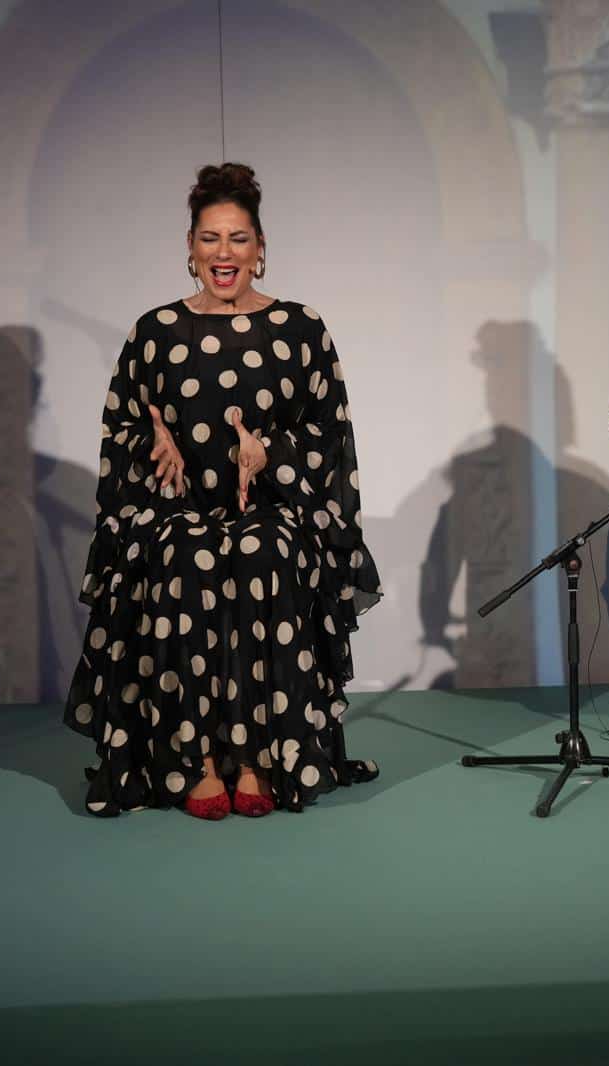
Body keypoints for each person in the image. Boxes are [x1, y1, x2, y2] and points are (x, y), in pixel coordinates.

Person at [63, 163, 382, 819]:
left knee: (265, 552)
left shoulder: (300, 327)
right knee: (184, 555)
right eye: (210, 238)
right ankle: (199, 761)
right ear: (190, 246)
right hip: (176, 509)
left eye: (238, 238)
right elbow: (123, 424)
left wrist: (271, 452)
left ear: (260, 248)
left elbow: (330, 433)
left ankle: (258, 759)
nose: (224, 253)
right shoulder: (155, 331)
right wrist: (152, 445)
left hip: (271, 508)